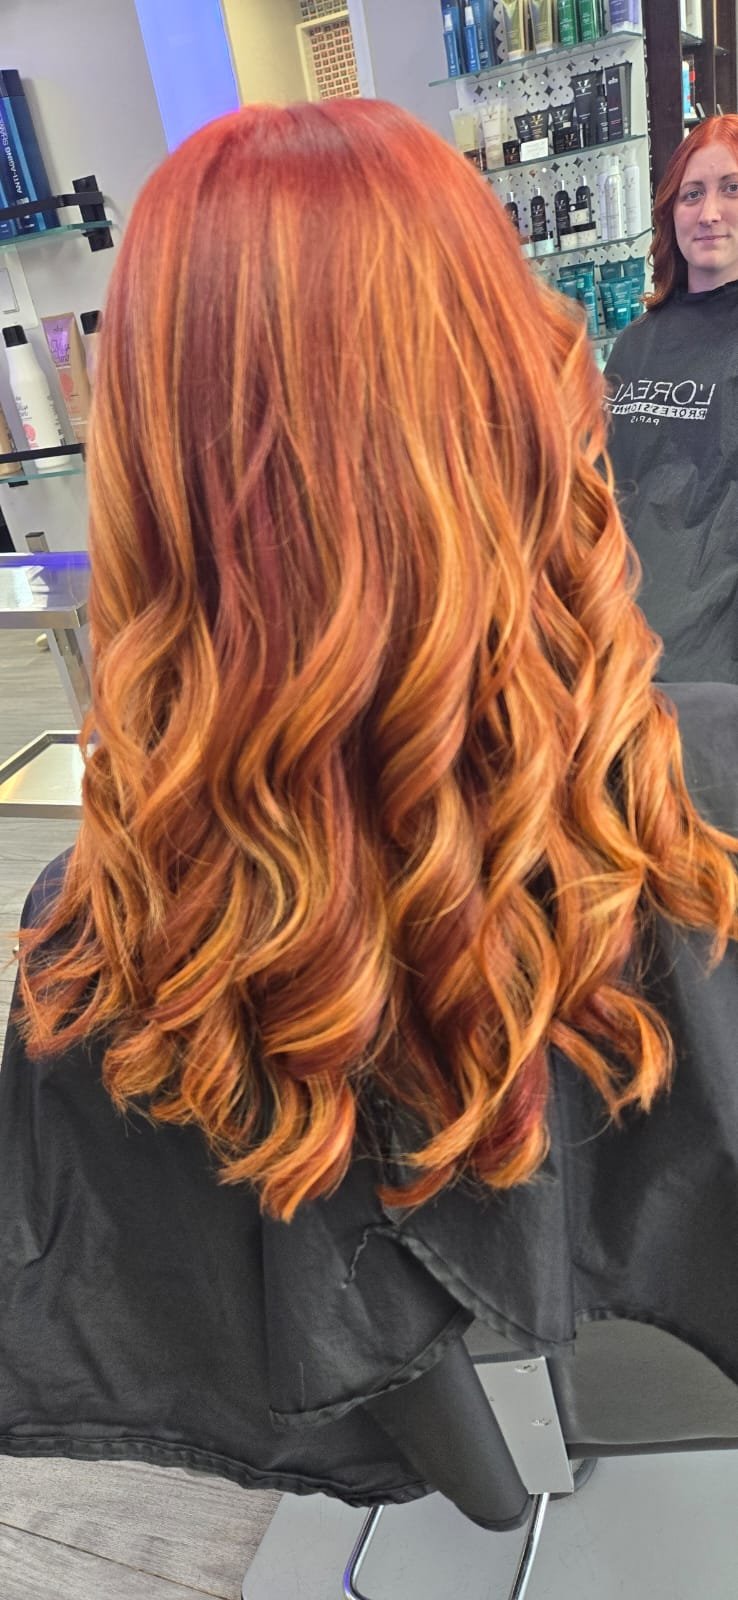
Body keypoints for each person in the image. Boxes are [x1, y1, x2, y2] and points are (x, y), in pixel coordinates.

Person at [0, 101, 736, 1509]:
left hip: (446, 1460)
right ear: (521, 387)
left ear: (149, 459)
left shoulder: (96, 933)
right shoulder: (703, 792)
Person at [605, 115, 738, 683]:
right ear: (670, 212)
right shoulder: (634, 344)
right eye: (692, 194)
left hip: (710, 661)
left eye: (731, 188)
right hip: (614, 635)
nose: (709, 213)